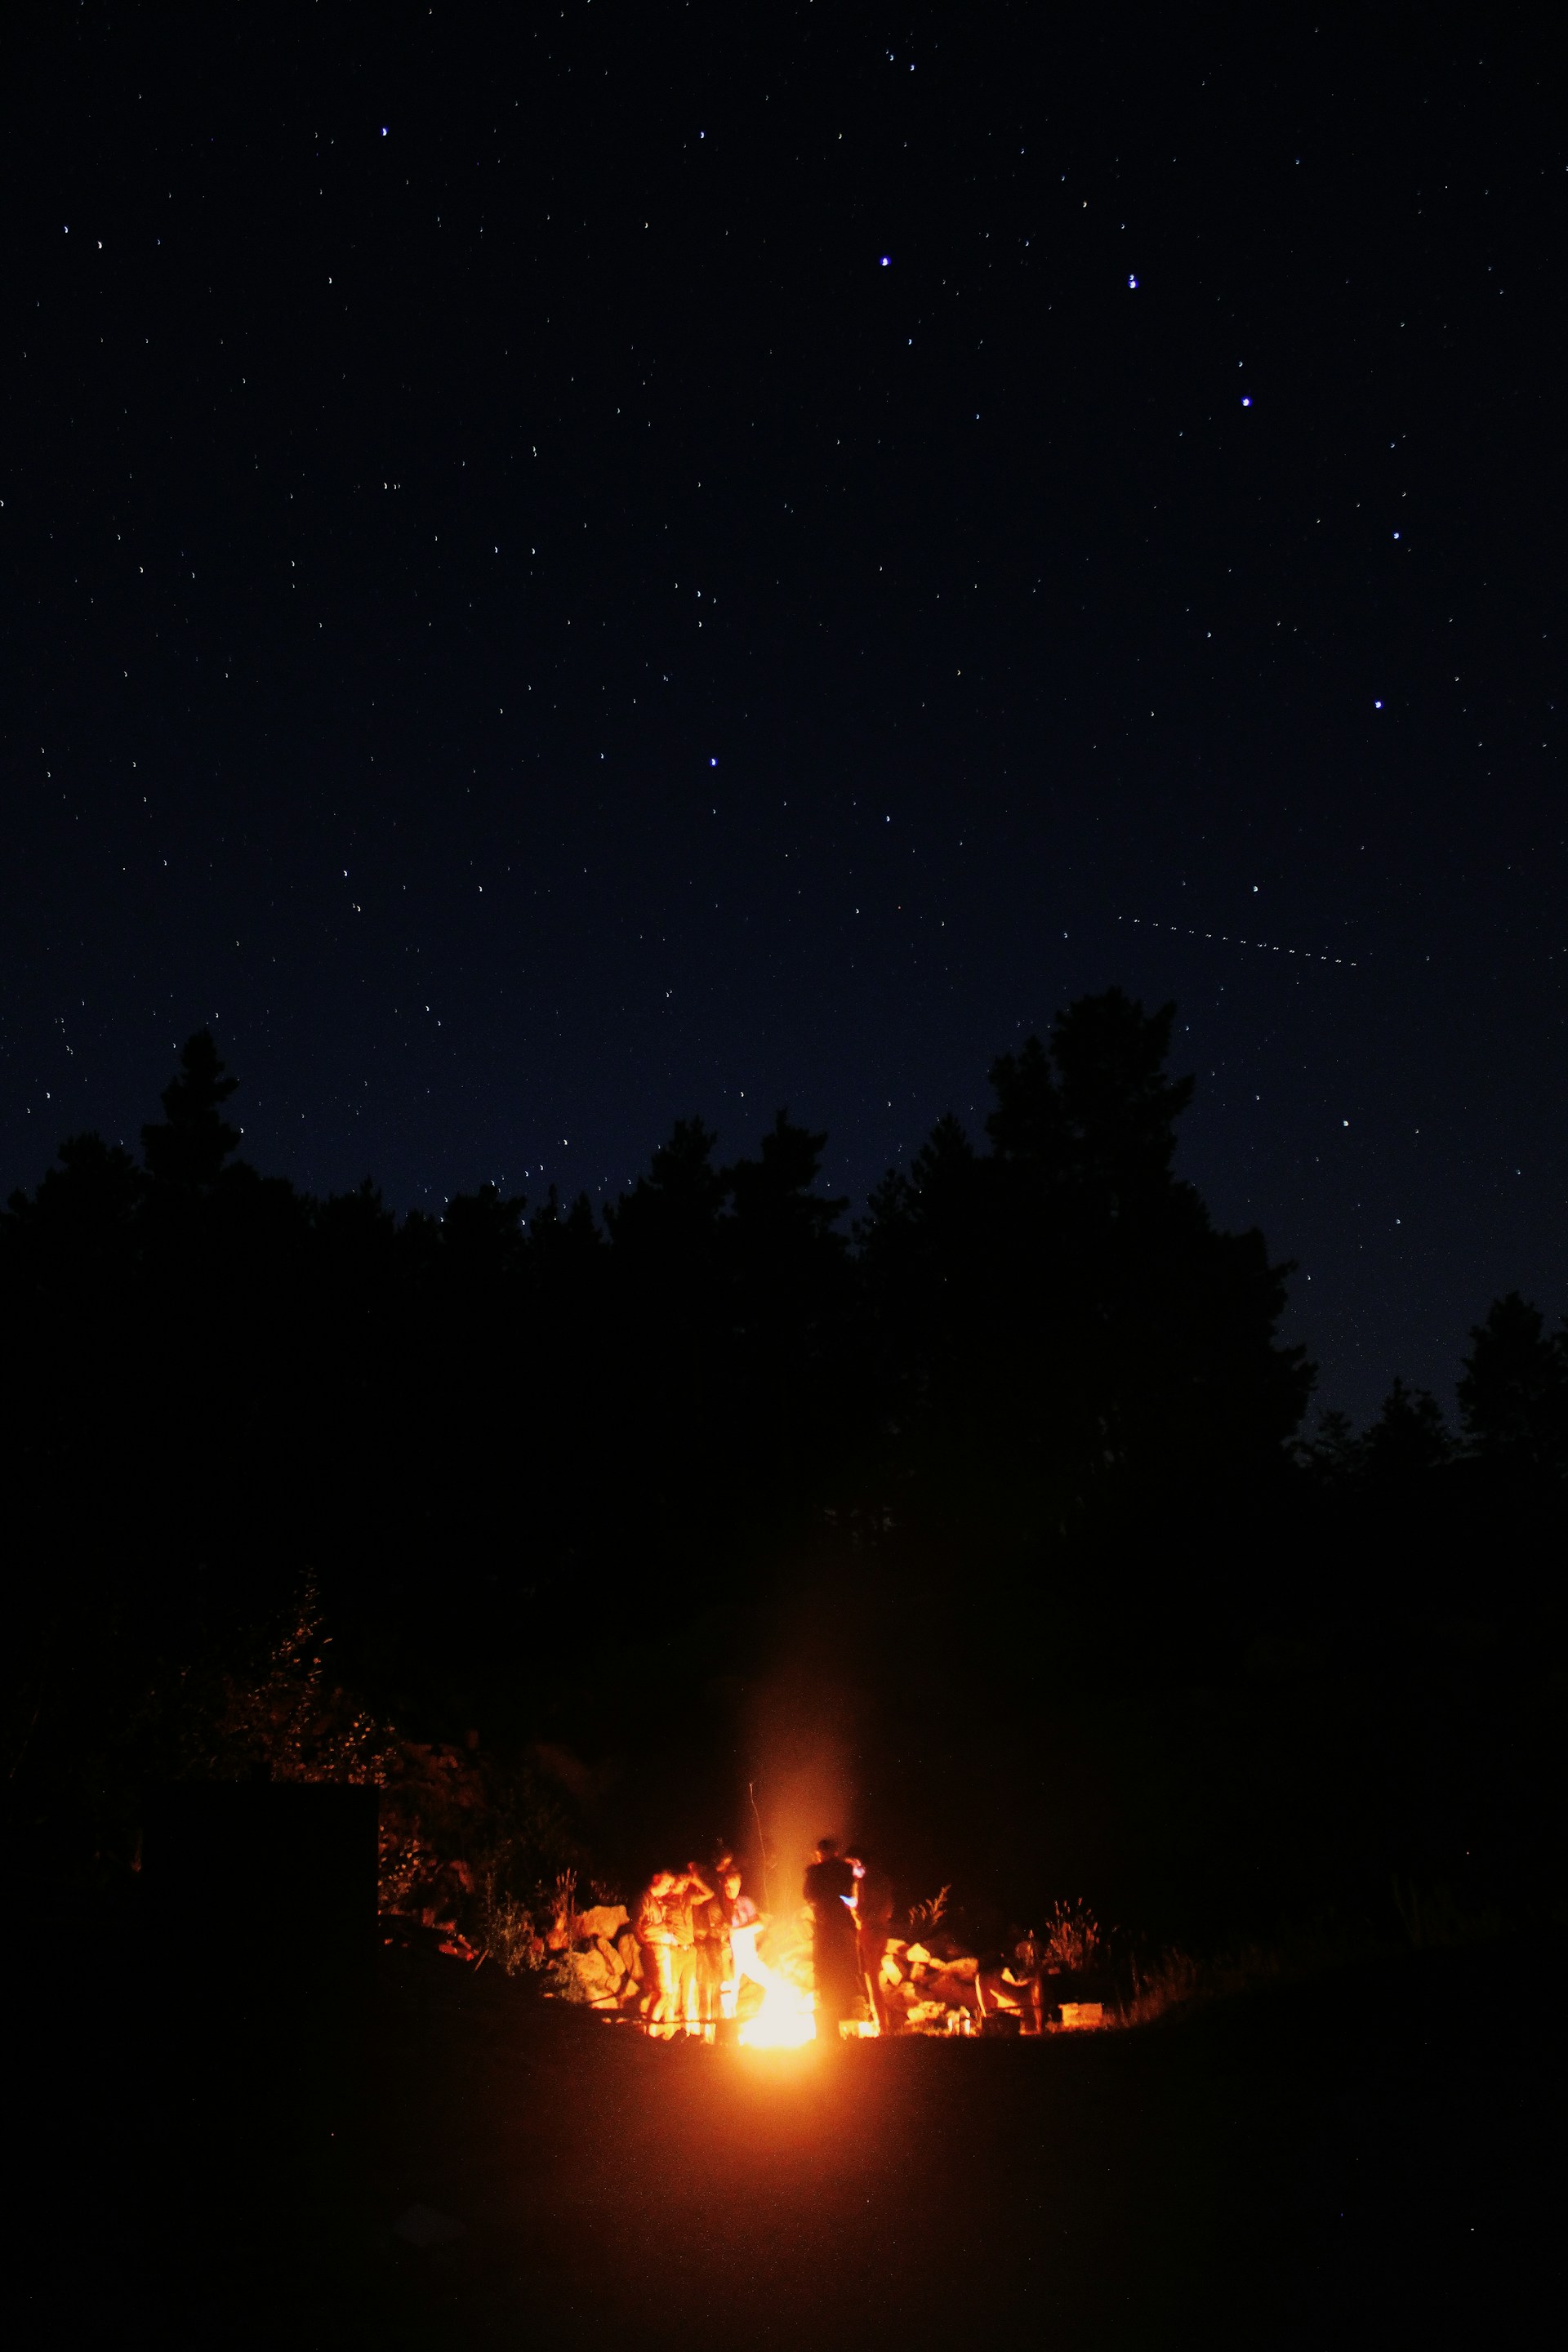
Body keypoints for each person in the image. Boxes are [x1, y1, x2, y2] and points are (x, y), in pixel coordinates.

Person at [803, 1836, 861, 2034]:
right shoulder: (845, 1869)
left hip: (825, 1925)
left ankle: (829, 2014)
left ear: (820, 1853)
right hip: (843, 1924)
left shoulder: (814, 1871)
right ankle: (844, 2010)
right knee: (844, 1967)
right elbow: (850, 1894)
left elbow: (808, 1896)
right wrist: (843, 1901)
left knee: (825, 1968)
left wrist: (824, 1904)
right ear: (836, 1852)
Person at [852, 1852, 896, 2034]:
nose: (852, 1870)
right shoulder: (884, 1881)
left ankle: (882, 2027)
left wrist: (852, 1910)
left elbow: (859, 1909)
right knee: (875, 1977)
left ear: (860, 1864)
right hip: (882, 1931)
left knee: (872, 1980)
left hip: (868, 1930)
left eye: (853, 1866)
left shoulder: (862, 1883)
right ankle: (881, 2023)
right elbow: (890, 1909)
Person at [720, 1864, 767, 2017]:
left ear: (739, 1885)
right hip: (730, 1957)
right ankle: (728, 2027)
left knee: (769, 1981)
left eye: (733, 1886)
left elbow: (759, 1925)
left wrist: (738, 1931)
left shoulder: (746, 1903)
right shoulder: (720, 1905)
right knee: (729, 1990)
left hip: (747, 1954)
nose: (730, 1890)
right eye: (727, 1886)